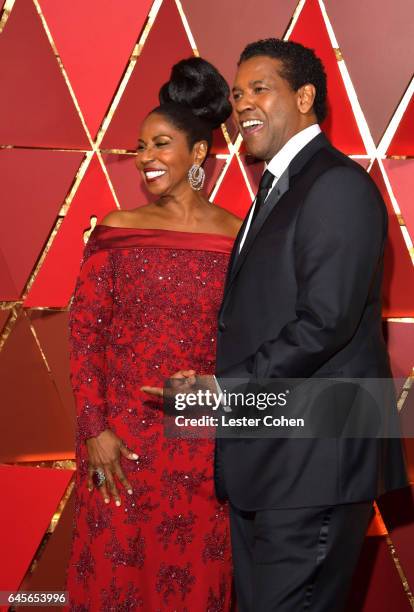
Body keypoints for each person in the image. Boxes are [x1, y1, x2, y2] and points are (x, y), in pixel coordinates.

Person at [144, 39, 408, 611]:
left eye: (259, 89)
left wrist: (225, 391)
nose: (243, 106)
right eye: (237, 95)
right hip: (269, 459)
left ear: (305, 96)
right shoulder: (276, 190)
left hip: (315, 460)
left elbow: (325, 323)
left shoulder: (335, 185)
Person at [66, 57, 241, 611]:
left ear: (197, 154)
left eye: (160, 144)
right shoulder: (117, 229)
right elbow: (84, 331)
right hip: (118, 438)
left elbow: (250, 338)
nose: (145, 158)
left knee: (193, 580)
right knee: (115, 576)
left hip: (199, 437)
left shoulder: (239, 235)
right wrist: (95, 428)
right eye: (141, 147)